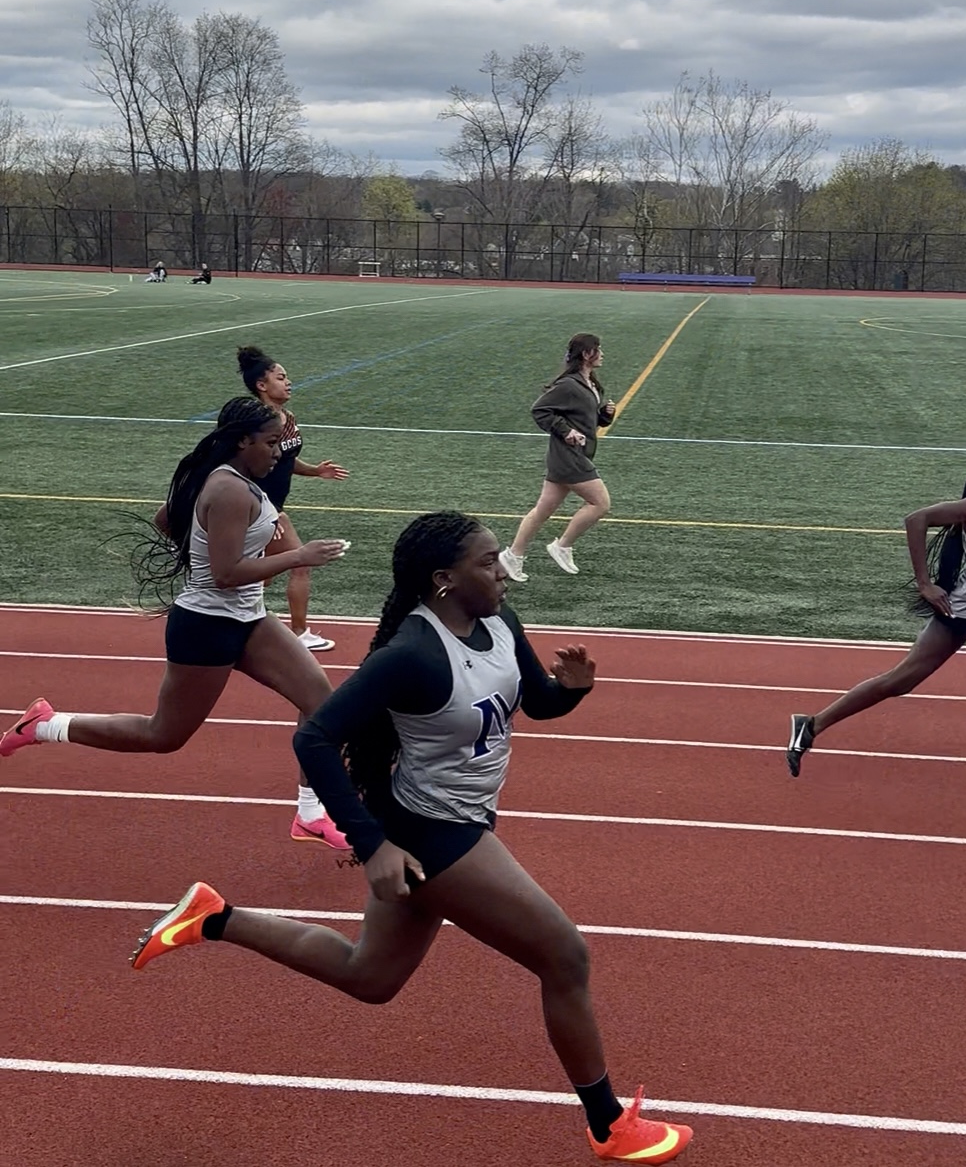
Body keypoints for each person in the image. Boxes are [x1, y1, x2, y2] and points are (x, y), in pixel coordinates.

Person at [128, 511, 694, 1165]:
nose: (501, 568)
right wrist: (373, 846)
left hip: (458, 820)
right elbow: (313, 738)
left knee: (369, 976)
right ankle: (607, 1124)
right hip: (429, 833)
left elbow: (533, 701)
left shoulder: (498, 621)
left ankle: (215, 918)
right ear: (443, 580)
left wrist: (570, 693)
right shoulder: (413, 655)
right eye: (487, 561)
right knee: (563, 957)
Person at [1, 396, 352, 849]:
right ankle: (45, 725)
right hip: (207, 626)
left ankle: (310, 813)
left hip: (249, 619)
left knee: (321, 701)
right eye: (271, 442)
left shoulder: (235, 478)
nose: (280, 452)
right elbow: (225, 575)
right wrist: (297, 557)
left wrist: (198, 551)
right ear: (242, 441)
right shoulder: (229, 490)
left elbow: (166, 519)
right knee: (163, 735)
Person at [784, 429, 966, 777]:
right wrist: (925, 584)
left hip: (957, 609)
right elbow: (917, 519)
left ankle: (812, 724)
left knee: (900, 681)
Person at [238, 345, 349, 652]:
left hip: (270, 511)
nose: (288, 382)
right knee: (300, 562)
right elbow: (246, 468)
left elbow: (284, 460)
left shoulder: (286, 418)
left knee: (265, 576)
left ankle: (236, 623)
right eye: (281, 377)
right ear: (262, 385)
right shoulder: (257, 423)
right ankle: (298, 632)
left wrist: (316, 471)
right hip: (261, 510)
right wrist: (262, 513)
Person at [499, 334, 616, 581]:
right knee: (600, 503)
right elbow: (540, 410)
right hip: (568, 456)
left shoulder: (591, 383)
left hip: (574, 454)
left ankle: (512, 555)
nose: (603, 353)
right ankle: (562, 546)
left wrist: (605, 416)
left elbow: (586, 419)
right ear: (586, 354)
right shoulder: (568, 385)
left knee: (543, 509)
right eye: (598, 349)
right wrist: (566, 431)